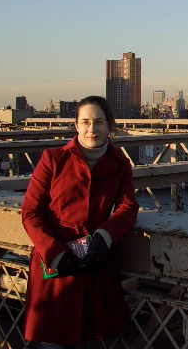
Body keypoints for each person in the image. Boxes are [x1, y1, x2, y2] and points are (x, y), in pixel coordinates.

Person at [21, 95, 139, 348]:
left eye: (99, 122)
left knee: (92, 340)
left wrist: (104, 237)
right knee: (52, 341)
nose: (91, 129)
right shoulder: (53, 159)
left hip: (94, 263)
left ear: (110, 126)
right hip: (55, 265)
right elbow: (30, 211)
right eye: (85, 122)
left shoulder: (120, 164)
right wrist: (53, 253)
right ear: (76, 126)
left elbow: (128, 207)